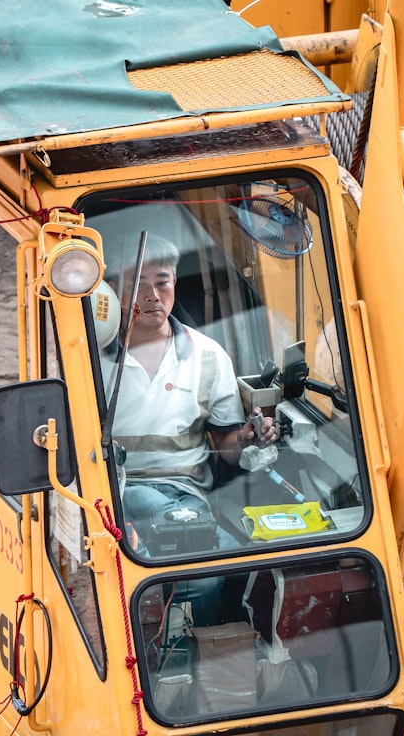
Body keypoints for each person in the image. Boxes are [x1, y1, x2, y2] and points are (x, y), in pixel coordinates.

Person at [101, 235, 275, 614]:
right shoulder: (91, 358)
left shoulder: (208, 356)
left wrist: (247, 438)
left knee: (240, 564)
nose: (152, 294)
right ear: (114, 291)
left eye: (162, 282)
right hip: (117, 493)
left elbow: (227, 447)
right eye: (138, 283)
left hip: (186, 495)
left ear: (175, 284)